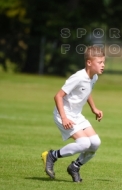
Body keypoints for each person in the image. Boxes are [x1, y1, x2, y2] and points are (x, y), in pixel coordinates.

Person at [41, 45, 105, 182]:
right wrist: (64, 118)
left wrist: (94, 108)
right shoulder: (78, 77)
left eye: (103, 62)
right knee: (83, 143)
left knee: (95, 143)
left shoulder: (93, 77)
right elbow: (58, 96)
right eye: (100, 62)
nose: (103, 65)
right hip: (63, 114)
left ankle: (74, 167)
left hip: (77, 115)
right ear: (89, 63)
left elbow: (87, 92)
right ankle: (52, 155)